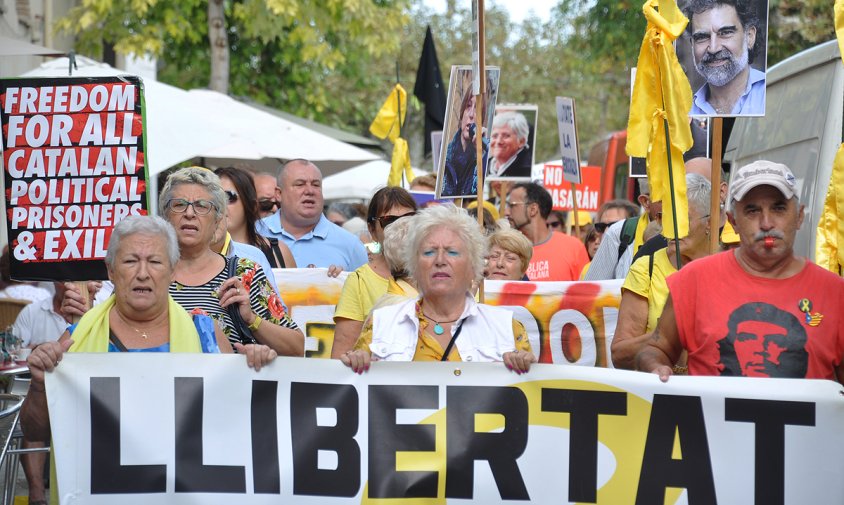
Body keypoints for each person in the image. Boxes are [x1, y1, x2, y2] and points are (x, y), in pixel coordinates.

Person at [19, 216, 277, 505]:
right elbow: (35, 431)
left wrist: (259, 372)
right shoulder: (75, 339)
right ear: (111, 271)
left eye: (155, 262)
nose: (143, 273)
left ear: (171, 270)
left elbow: (239, 423)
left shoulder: (205, 334)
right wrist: (40, 387)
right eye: (130, 261)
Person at [636, 161, 844, 382]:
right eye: (752, 211)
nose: (766, 223)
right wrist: (655, 367)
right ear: (733, 221)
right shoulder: (693, 281)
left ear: (800, 216)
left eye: (779, 208)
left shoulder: (835, 294)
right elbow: (655, 349)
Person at [340, 204, 535, 373]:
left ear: (473, 266)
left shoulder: (507, 328)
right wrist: (355, 365)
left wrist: (527, 369)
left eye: (452, 252)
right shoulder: (381, 324)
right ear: (414, 265)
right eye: (429, 252)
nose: (440, 261)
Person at [161, 167, 303, 355]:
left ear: (218, 219)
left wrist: (252, 319)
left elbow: (297, 347)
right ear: (165, 214)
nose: (189, 213)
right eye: (179, 204)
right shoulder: (147, 272)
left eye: (202, 206)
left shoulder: (245, 273)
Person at [612, 174, 712, 370]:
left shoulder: (729, 266)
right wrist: (669, 334)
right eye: (667, 217)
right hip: (661, 391)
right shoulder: (645, 269)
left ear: (709, 222)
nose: (672, 228)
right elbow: (619, 354)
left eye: (683, 219)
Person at [331, 187, 418, 358]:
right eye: (390, 221)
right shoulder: (359, 281)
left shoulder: (441, 272)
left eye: (410, 219)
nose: (403, 227)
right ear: (372, 230)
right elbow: (341, 357)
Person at [260, 159, 367, 270]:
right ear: (279, 194)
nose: (309, 191)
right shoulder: (254, 232)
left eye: (316, 185)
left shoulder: (350, 245)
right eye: (300, 184)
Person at [685, 0, 765, 116]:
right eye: (702, 37)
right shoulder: (685, 112)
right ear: (692, 44)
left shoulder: (772, 92)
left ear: (750, 37)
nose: (713, 48)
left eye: (725, 32)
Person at [504, 182, 589, 281]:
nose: (506, 212)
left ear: (533, 209)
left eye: (512, 205)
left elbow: (588, 292)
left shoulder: (573, 247)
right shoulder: (507, 250)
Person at [215, 166, 297, 269]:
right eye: (215, 198)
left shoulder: (277, 251)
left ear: (252, 205)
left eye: (228, 197)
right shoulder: (197, 253)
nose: (220, 204)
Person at [585, 179, 662, 281]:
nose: (674, 204)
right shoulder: (617, 233)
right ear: (646, 202)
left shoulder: (687, 234)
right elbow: (593, 290)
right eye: (665, 198)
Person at [442, 87, 487, 197]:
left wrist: (481, 155)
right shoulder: (445, 156)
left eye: (477, 109)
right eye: (468, 106)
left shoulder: (483, 158)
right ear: (462, 114)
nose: (471, 114)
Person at [487, 111, 532, 178]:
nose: (499, 141)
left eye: (506, 136)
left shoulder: (527, 170)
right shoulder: (484, 165)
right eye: (495, 136)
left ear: (521, 141)